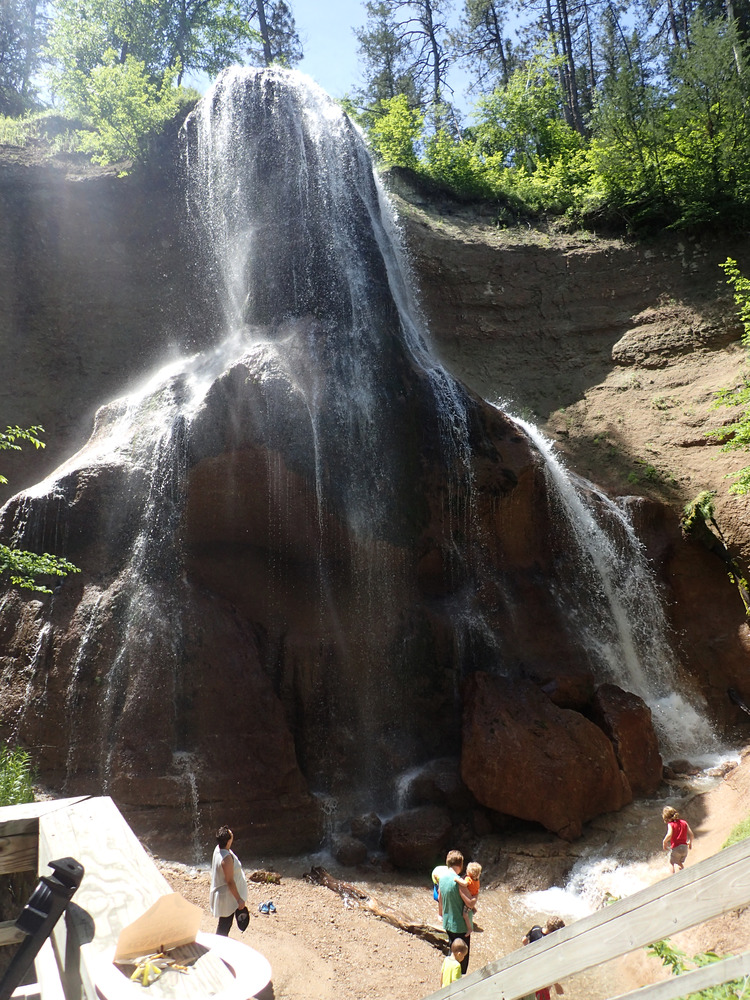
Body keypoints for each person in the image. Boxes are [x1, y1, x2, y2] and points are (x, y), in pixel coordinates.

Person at [438, 850, 476, 974]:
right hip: (461, 926)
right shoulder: (459, 882)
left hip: (448, 922)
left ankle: (447, 973)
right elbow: (470, 902)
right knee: (461, 958)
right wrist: (477, 895)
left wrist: (440, 914)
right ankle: (458, 979)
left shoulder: (442, 878)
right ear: (460, 864)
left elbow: (440, 898)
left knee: (452, 951)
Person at [209, 825, 249, 935]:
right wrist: (239, 900)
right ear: (228, 840)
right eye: (231, 835)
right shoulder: (226, 859)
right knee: (224, 925)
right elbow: (230, 881)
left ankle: (219, 947)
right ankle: (218, 949)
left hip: (226, 897)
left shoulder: (218, 849)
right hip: (227, 898)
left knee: (225, 924)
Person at [522, 918, 565, 999]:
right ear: (554, 933)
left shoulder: (536, 928)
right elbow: (547, 965)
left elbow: (524, 940)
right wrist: (556, 984)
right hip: (538, 973)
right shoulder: (548, 942)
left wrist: (529, 951)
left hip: (529, 965)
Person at [662, 806, 694, 872]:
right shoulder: (684, 822)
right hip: (685, 848)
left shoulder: (671, 824)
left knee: (671, 863)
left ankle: (672, 877)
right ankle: (682, 872)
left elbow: (669, 834)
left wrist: (664, 841)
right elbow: (691, 834)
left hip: (676, 847)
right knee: (679, 862)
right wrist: (690, 843)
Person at [463, 861, 482, 932]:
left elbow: (464, 884)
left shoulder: (468, 879)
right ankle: (473, 908)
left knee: (465, 914)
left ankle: (469, 928)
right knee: (470, 905)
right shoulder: (477, 880)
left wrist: (457, 880)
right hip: (473, 896)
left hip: (468, 898)